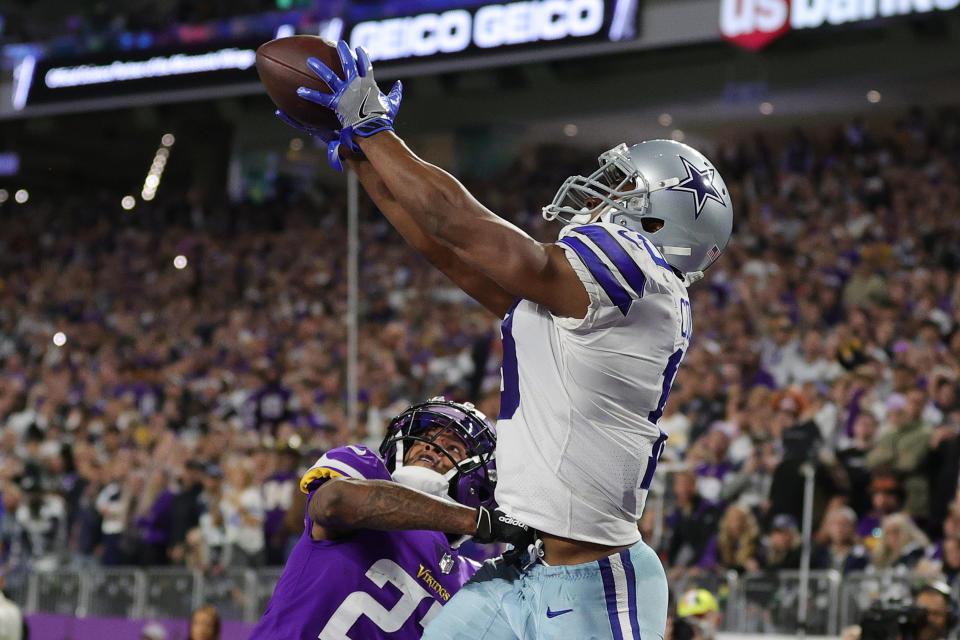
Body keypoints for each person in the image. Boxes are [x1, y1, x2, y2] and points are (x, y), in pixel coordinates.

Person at [286, 40, 731, 639]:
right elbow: (447, 251)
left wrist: (377, 131)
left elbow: (460, 225)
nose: (601, 195)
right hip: (518, 565)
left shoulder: (641, 276)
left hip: (592, 579)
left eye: (622, 188)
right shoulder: (593, 303)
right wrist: (362, 153)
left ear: (658, 221)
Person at [250, 399, 529, 639]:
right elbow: (334, 503)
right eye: (425, 439)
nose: (430, 447)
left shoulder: (476, 580)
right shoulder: (365, 472)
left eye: (452, 448)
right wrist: (475, 521)